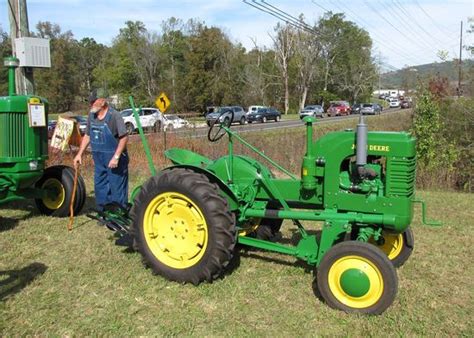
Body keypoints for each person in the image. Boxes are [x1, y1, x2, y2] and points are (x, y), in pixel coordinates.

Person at [73, 98, 129, 211]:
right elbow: (88, 136)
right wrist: (79, 154)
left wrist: (116, 157)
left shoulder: (114, 116)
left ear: (103, 103)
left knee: (116, 187)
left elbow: (124, 138)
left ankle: (119, 214)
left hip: (115, 159)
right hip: (99, 159)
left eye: (93, 102)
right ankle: (103, 212)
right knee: (100, 186)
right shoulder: (91, 116)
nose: (90, 104)